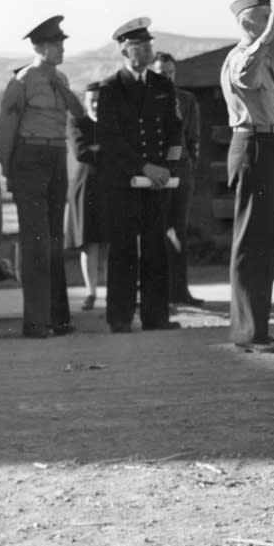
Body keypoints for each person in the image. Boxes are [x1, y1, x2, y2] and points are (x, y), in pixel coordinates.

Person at [0, 15, 85, 338]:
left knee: (55, 242)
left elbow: (78, 116)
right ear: (38, 47)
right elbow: (4, 131)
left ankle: (58, 319)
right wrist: (8, 171)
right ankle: (35, 322)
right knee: (36, 243)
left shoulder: (61, 78)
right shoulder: (22, 81)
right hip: (29, 159)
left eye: (61, 43)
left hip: (56, 157)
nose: (61, 49)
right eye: (55, 44)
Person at [222, 0, 274, 351]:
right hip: (253, 148)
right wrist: (264, 40)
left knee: (263, 242)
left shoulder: (263, 57)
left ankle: (256, 330)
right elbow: (245, 79)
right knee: (252, 243)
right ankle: (248, 333)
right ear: (248, 21)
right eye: (268, 15)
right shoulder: (243, 58)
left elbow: (270, 119)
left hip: (268, 146)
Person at [97, 18, 184, 334]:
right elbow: (111, 139)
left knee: (155, 248)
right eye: (141, 46)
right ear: (125, 49)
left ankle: (155, 316)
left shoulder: (162, 85)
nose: (148, 50)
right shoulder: (111, 88)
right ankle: (119, 317)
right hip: (124, 181)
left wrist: (168, 168)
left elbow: (175, 130)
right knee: (123, 249)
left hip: (158, 182)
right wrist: (143, 167)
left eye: (150, 44)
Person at [151, 53, 204, 308]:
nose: (167, 77)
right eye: (162, 73)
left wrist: (189, 167)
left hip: (181, 174)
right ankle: (156, 293)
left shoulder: (187, 100)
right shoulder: (147, 98)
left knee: (179, 232)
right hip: (155, 175)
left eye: (170, 73)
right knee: (156, 231)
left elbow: (193, 139)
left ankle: (180, 292)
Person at [64, 81, 106, 312]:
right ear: (86, 101)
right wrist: (103, 150)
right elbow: (81, 152)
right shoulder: (77, 122)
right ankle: (91, 292)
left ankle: (112, 291)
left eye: (100, 99)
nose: (97, 104)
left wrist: (98, 149)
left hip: (110, 187)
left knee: (113, 241)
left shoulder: (113, 123)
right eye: (92, 100)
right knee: (88, 243)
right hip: (86, 188)